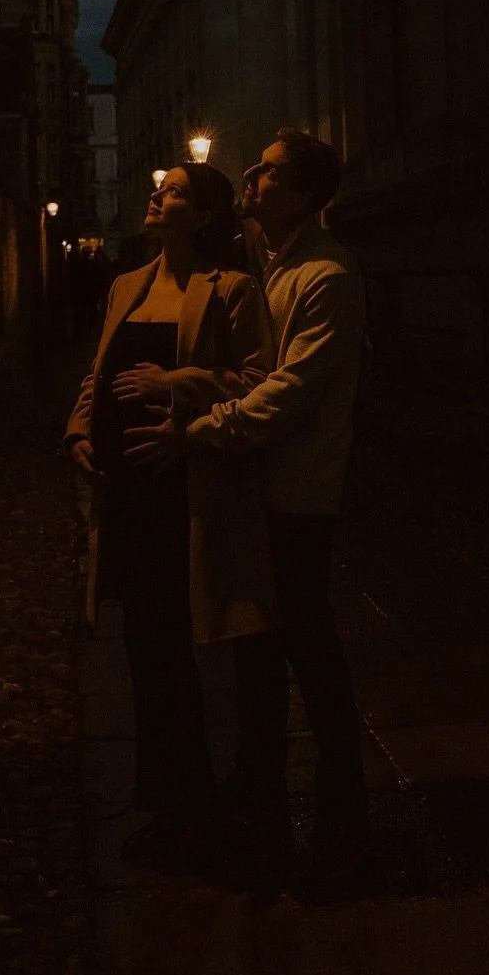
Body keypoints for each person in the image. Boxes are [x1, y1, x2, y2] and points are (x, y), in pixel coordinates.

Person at [126, 129, 368, 882]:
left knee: (310, 656)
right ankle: (260, 796)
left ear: (298, 193)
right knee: (262, 656)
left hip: (295, 493)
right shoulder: (271, 265)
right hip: (262, 487)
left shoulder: (325, 274)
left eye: (267, 173)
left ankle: (342, 819)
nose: (252, 179)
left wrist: (198, 429)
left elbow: (287, 393)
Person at [63, 163, 275, 870]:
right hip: (127, 492)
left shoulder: (233, 289)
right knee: (145, 654)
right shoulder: (127, 283)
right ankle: (169, 802)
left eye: (175, 190)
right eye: (158, 188)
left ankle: (199, 807)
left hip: (184, 494)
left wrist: (174, 383)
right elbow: (97, 372)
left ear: (203, 214)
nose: (156, 195)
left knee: (184, 653)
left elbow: (255, 381)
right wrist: (79, 430)